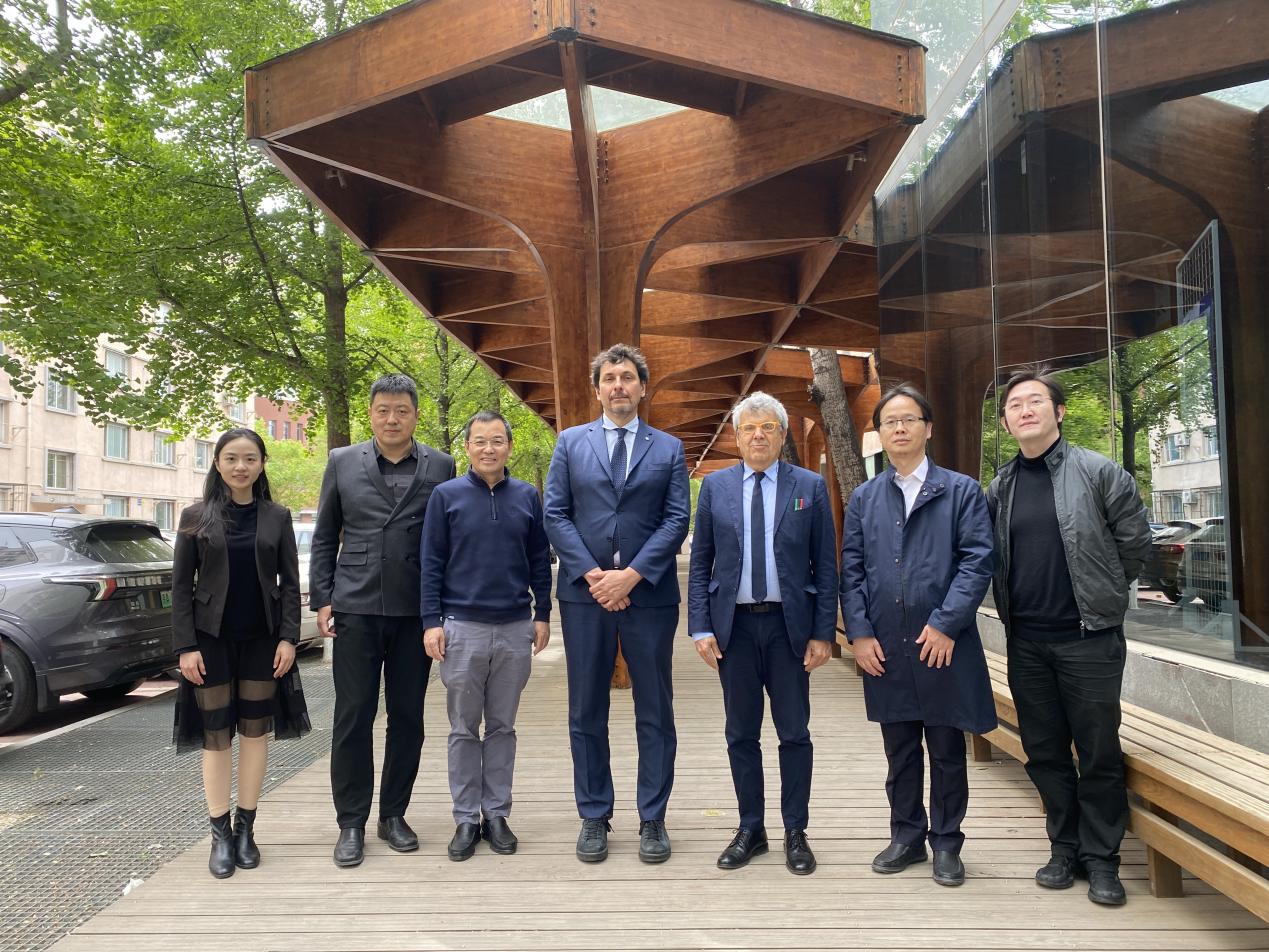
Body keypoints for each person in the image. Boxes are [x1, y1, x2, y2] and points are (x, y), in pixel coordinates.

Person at [988, 367, 1151, 906]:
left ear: (1058, 412)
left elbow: (1134, 544)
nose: (1025, 410)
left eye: (1035, 401)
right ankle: (1064, 848)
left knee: (1098, 750)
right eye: (1015, 405)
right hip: (1027, 641)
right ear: (1007, 421)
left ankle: (1102, 859)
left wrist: (1103, 594)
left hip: (1089, 640)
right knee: (1044, 751)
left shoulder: (1098, 471)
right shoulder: (1001, 487)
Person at [839, 384, 996, 888]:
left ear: (928, 428)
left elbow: (977, 562)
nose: (900, 428)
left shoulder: (961, 491)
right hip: (886, 643)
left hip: (942, 642)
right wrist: (859, 633)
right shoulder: (865, 498)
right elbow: (852, 570)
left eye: (909, 419)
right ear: (880, 434)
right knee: (900, 748)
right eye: (890, 422)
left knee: (947, 747)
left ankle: (947, 842)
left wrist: (948, 623)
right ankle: (906, 836)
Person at [544, 343, 690, 864]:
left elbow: (677, 519)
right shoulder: (570, 443)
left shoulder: (668, 448)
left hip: (649, 596)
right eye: (610, 378)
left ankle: (653, 817)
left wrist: (629, 576)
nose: (619, 386)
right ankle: (594, 815)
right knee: (586, 709)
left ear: (642, 388)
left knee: (655, 709)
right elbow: (555, 513)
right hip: (585, 598)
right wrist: (593, 575)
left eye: (627, 377)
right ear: (598, 389)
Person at [310, 374, 456, 868]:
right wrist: (323, 598)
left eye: (401, 410)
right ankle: (350, 821)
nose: (392, 419)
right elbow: (325, 535)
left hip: (416, 609)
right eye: (383, 410)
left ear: (415, 415)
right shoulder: (342, 461)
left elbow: (445, 540)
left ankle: (393, 814)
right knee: (353, 715)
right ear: (370, 414)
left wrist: (443, 609)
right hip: (355, 605)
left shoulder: (442, 465)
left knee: (408, 716)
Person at [687, 392, 837, 875]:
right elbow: (701, 562)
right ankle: (751, 828)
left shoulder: (808, 486)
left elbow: (825, 565)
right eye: (749, 428)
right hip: (733, 629)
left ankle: (796, 831)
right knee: (740, 733)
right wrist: (700, 626)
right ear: (736, 436)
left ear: (782, 434)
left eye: (767, 427)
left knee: (794, 732)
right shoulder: (716, 487)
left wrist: (823, 632)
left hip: (788, 628)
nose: (757, 435)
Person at [171, 427, 310, 879]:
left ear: (262, 464)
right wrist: (186, 646)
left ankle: (247, 828)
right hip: (209, 642)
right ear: (217, 463)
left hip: (263, 642)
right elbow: (180, 588)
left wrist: (289, 638)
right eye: (231, 458)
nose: (240, 466)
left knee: (254, 733)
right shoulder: (195, 517)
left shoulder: (277, 517)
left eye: (250, 458)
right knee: (216, 735)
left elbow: (290, 583)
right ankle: (220, 834)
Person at [421, 410, 552, 861]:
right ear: (468, 448)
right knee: (462, 728)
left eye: (497, 440)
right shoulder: (446, 496)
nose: (489, 449)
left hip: (515, 627)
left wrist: (542, 613)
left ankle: (496, 813)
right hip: (462, 627)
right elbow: (431, 562)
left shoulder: (527, 496)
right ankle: (465, 818)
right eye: (480, 441)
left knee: (502, 727)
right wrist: (431, 621)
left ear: (509, 447)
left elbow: (539, 559)